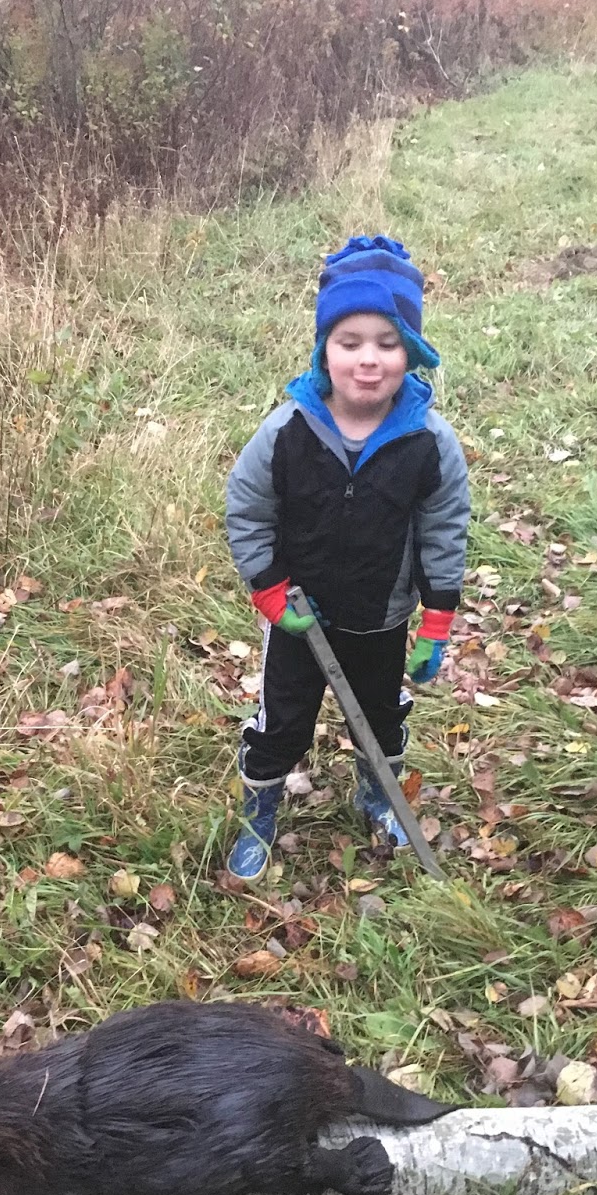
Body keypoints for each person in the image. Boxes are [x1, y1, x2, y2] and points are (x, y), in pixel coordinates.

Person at [223, 234, 470, 881]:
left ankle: (373, 792)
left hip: (381, 617)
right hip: (300, 619)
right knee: (283, 720)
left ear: (411, 353)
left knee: (380, 719)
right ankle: (262, 806)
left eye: (387, 344)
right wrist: (271, 590)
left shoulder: (428, 444)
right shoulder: (286, 433)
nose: (368, 360)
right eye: (349, 342)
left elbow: (444, 531)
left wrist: (437, 620)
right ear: (323, 350)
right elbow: (247, 511)